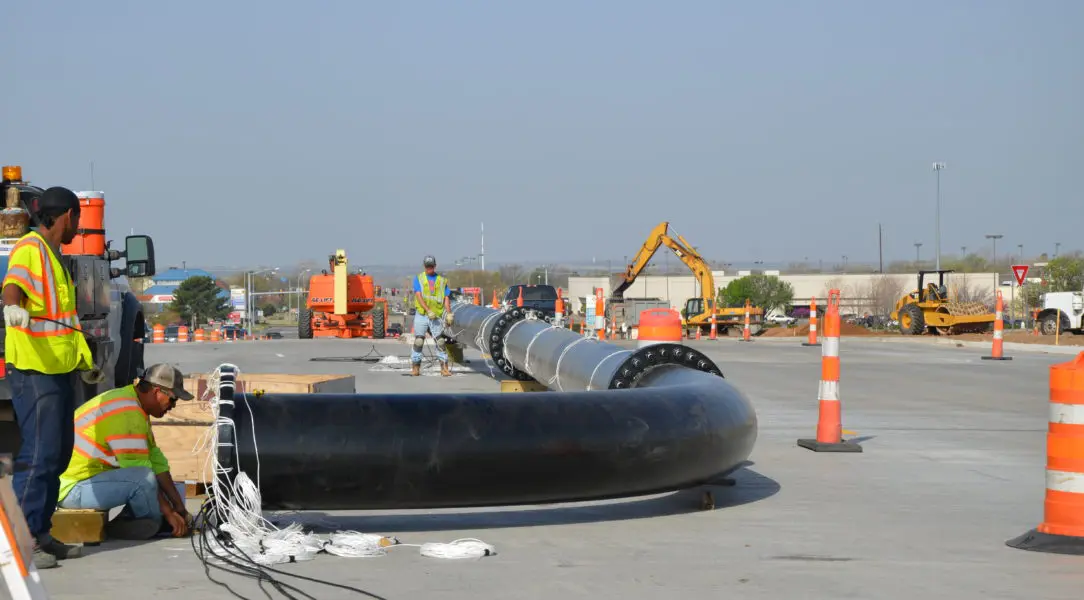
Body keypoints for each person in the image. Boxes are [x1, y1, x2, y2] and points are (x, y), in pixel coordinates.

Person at [2, 186, 96, 569]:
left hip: (57, 369)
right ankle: (20, 543)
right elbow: (12, 288)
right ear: (68, 216)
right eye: (78, 221)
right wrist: (11, 308)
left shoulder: (53, 256)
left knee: (56, 456)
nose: (79, 229)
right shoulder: (30, 249)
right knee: (39, 457)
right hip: (34, 370)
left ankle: (39, 534)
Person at [56, 363, 194, 541]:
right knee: (142, 480)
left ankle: (131, 520)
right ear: (157, 391)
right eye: (173, 399)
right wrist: (169, 513)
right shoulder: (127, 413)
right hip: (72, 489)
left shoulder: (132, 403)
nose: (173, 406)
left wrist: (179, 507)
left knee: (160, 484)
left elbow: (156, 460)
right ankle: (147, 522)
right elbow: (142, 474)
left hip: (87, 481)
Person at [410, 255, 453, 377]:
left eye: (431, 266)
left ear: (435, 266)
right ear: (424, 266)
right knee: (419, 341)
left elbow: (446, 298)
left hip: (436, 316)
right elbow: (419, 295)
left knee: (440, 341)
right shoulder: (419, 278)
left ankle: (444, 368)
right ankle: (415, 367)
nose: (430, 268)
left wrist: (449, 313)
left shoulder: (441, 281)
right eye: (427, 266)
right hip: (423, 314)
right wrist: (428, 310)